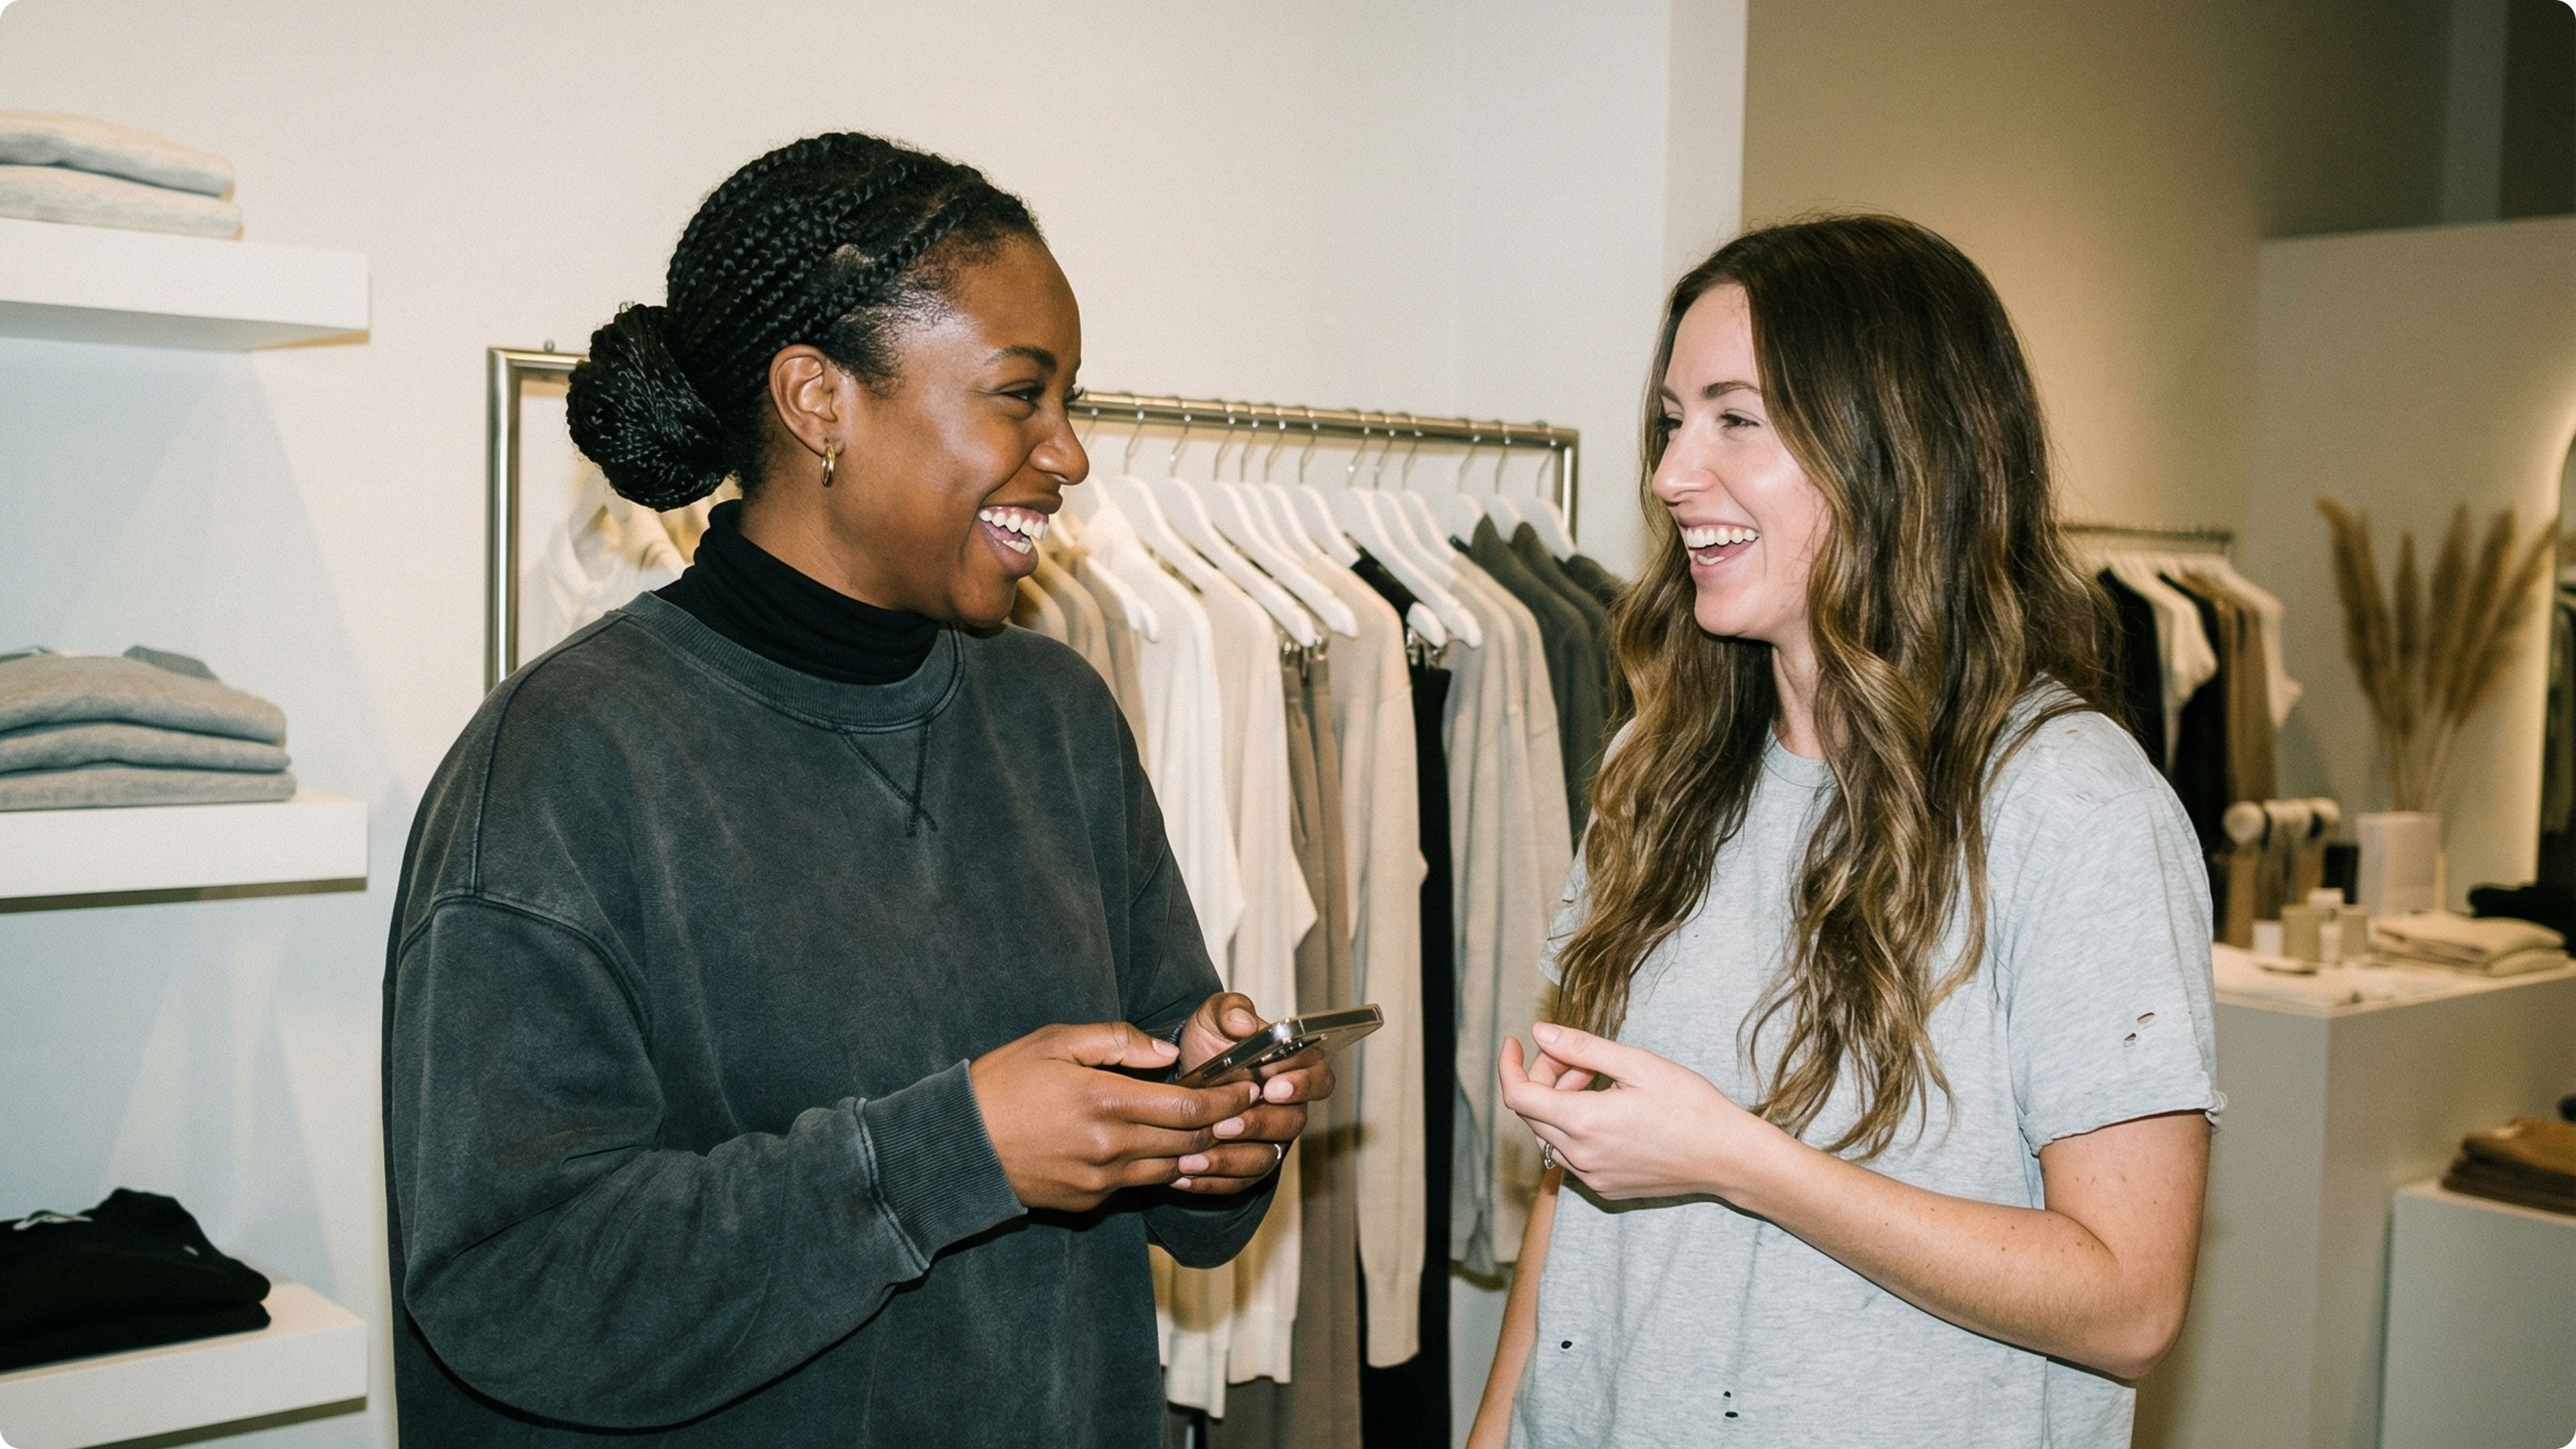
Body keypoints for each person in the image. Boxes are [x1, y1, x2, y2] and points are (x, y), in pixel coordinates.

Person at [381, 133, 1329, 1445]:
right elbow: (514, 1285)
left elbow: (1161, 1183)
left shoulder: (1057, 718)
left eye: (1071, 401)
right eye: (1020, 394)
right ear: (819, 400)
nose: (1069, 454)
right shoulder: (563, 766)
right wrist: (952, 1154)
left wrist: (1210, 1130)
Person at [1469, 215, 2218, 1448]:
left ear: (1895, 451)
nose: (1670, 474)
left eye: (1736, 419)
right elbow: (1582, 1182)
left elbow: (2130, 1303)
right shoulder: (1655, 768)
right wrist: (1499, 1426)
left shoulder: (2073, 808)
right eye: (1671, 421)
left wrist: (1740, 1160)